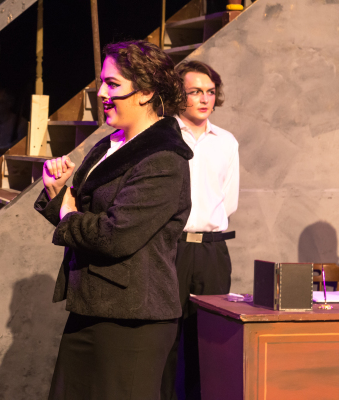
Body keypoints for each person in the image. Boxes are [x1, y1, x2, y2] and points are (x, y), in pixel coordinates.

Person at [34, 40, 193, 400]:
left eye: (113, 84)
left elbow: (115, 235)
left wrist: (67, 210)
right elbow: (81, 214)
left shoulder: (164, 158)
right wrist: (59, 193)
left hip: (133, 318)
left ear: (146, 92)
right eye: (102, 83)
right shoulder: (108, 145)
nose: (102, 93)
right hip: (92, 304)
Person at [161, 60, 239, 400]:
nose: (205, 98)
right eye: (195, 91)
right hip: (171, 247)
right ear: (179, 95)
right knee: (165, 338)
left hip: (212, 251)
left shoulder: (226, 141)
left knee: (208, 340)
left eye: (210, 91)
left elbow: (228, 200)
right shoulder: (163, 136)